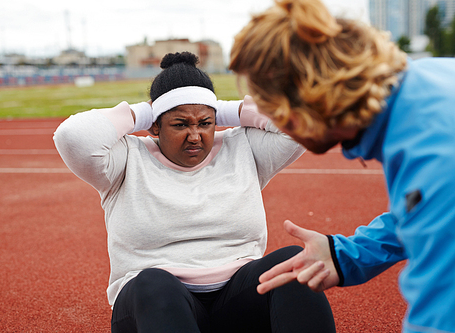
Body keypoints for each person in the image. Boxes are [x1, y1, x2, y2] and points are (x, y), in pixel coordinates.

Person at [53, 52, 336, 333]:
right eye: (180, 124)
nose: (195, 136)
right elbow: (73, 137)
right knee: (154, 282)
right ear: (155, 124)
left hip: (236, 302)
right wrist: (142, 112)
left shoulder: (243, 148)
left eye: (205, 123)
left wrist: (228, 110)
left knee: (291, 263)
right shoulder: (126, 159)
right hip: (153, 304)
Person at [229, 0, 455, 332]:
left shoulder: (433, 157)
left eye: (274, 112)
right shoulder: (423, 83)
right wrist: (346, 254)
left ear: (305, 104)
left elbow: (438, 318)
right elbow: (425, 208)